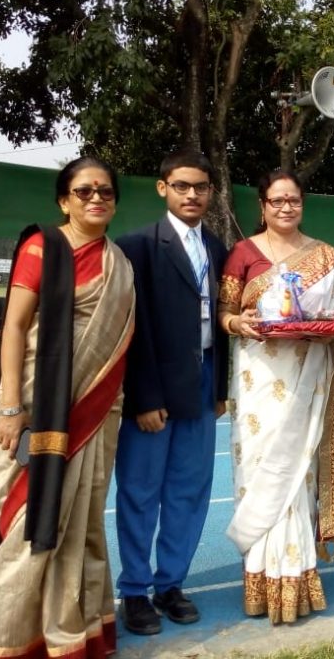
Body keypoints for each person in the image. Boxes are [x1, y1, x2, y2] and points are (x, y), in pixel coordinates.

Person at [0, 156, 136, 659]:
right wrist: (11, 407)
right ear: (64, 200)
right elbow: (14, 327)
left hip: (97, 410)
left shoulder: (119, 263)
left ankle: (74, 635)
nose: (96, 198)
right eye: (84, 191)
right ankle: (10, 643)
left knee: (83, 524)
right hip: (36, 405)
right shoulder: (43, 247)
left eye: (105, 191)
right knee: (30, 525)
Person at [217, 169, 334, 624]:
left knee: (300, 472)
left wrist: (329, 328)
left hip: (308, 373)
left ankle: (297, 576)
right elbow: (225, 311)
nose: (285, 207)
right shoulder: (243, 254)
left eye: (293, 200)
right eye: (277, 200)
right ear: (262, 206)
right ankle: (261, 577)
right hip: (258, 377)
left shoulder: (327, 257)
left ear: (302, 204)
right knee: (259, 467)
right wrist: (237, 323)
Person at [113, 150, 230, 636]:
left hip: (202, 382)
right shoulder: (137, 246)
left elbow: (222, 323)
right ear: (163, 188)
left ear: (211, 192)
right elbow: (130, 328)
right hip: (154, 386)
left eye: (201, 187)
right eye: (182, 186)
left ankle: (171, 584)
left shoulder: (218, 248)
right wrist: (143, 396)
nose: (192, 195)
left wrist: (220, 387)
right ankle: (134, 590)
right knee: (141, 490)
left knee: (190, 489)